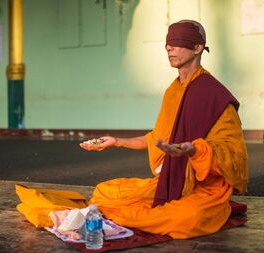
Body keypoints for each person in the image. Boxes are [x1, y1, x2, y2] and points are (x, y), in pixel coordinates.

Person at [80, 20, 248, 239]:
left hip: (207, 188)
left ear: (198, 48)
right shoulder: (173, 91)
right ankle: (127, 213)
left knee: (185, 218)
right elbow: (157, 138)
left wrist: (195, 150)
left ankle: (130, 217)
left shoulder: (213, 94)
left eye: (178, 42)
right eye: (168, 43)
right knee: (105, 191)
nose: (169, 48)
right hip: (173, 179)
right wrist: (117, 141)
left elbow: (234, 156)